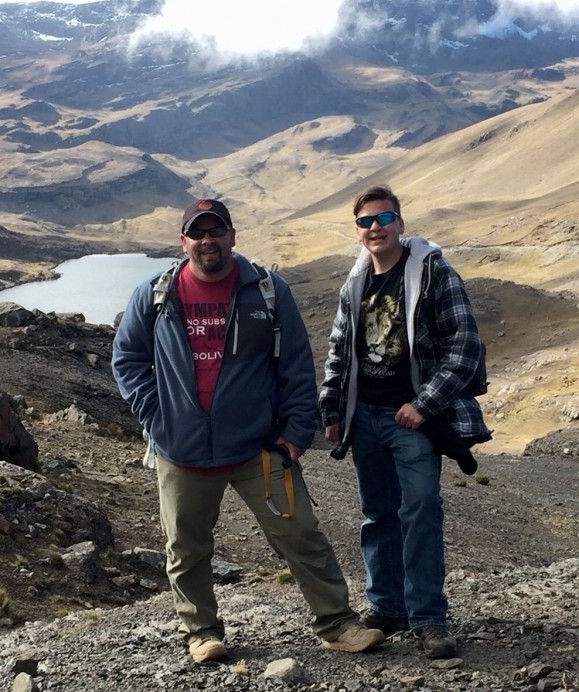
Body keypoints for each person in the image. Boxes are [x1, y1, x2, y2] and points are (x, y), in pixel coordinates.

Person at [112, 198, 384, 663]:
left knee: (300, 534)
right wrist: (156, 416)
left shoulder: (266, 290)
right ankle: (202, 632)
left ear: (233, 236)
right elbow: (127, 359)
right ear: (184, 242)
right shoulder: (156, 294)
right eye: (198, 233)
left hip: (259, 447)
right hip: (181, 451)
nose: (207, 241)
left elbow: (297, 367)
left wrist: (296, 434)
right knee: (186, 547)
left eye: (216, 231)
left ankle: (337, 624)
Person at [319, 186, 491, 659]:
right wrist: (334, 411)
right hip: (366, 418)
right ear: (357, 232)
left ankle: (429, 618)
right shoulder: (354, 285)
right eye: (366, 222)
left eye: (384, 218)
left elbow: (466, 348)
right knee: (378, 514)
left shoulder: (433, 274)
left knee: (419, 509)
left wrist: (424, 405)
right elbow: (339, 352)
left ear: (401, 223)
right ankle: (387, 606)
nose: (375, 228)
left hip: (411, 420)